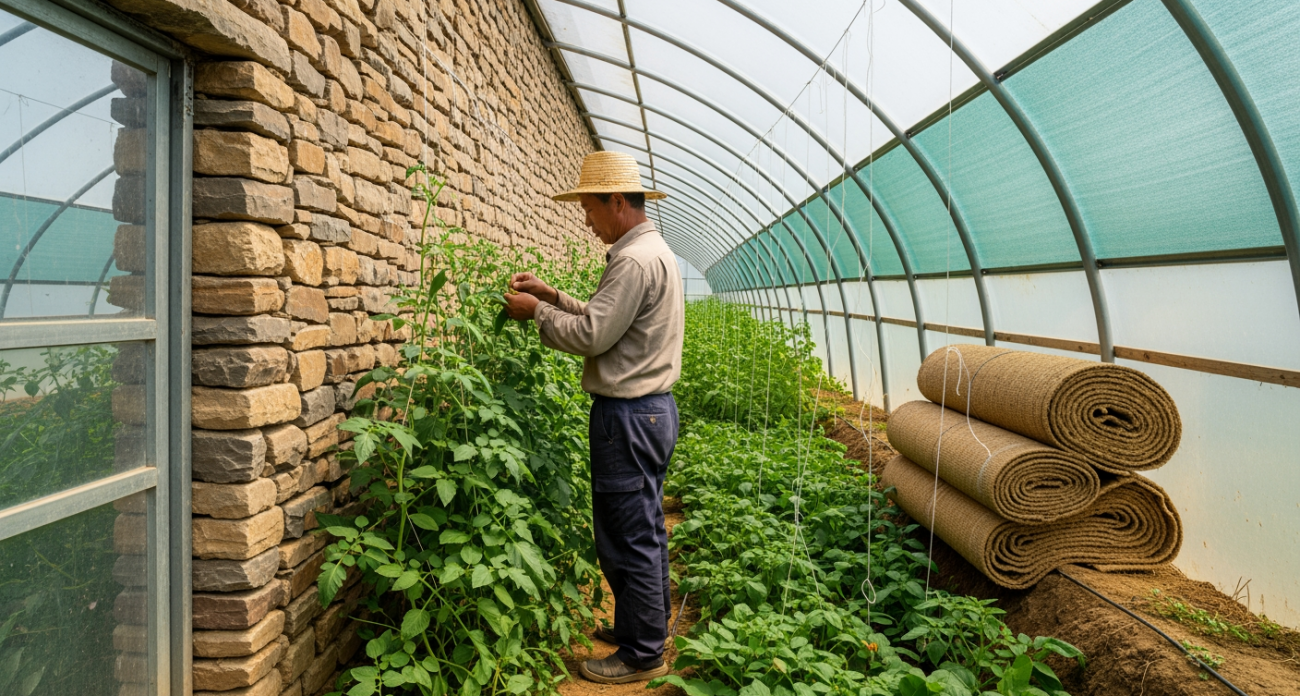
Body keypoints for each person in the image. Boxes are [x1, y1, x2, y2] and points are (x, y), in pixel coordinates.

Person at [503, 151, 684, 685]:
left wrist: (536, 312)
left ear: (618, 201)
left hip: (628, 418)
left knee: (628, 537)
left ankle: (642, 653)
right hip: (650, 414)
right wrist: (553, 295)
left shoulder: (632, 261)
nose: (586, 220)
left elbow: (592, 335)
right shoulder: (651, 251)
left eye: (589, 208)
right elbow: (607, 319)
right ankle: (643, 627)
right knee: (645, 527)